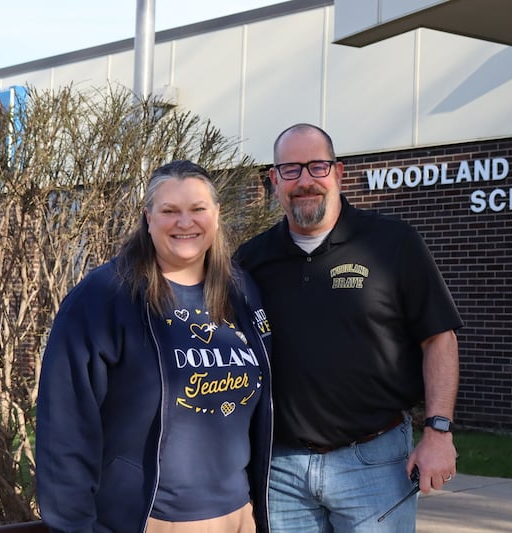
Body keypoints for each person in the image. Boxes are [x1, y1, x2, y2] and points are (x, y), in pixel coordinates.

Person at [234, 124, 463, 532]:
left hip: (375, 462)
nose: (305, 180)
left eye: (317, 166)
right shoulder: (251, 261)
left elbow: (439, 338)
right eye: (291, 169)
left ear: (338, 173)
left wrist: (439, 432)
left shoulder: (392, 244)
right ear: (274, 180)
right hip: (281, 469)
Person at [36, 160, 273, 533]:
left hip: (239, 516)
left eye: (197, 209)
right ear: (148, 218)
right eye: (169, 211)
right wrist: (73, 526)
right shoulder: (103, 297)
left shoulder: (240, 291)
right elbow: (64, 425)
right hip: (152, 520)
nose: (185, 222)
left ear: (216, 215)